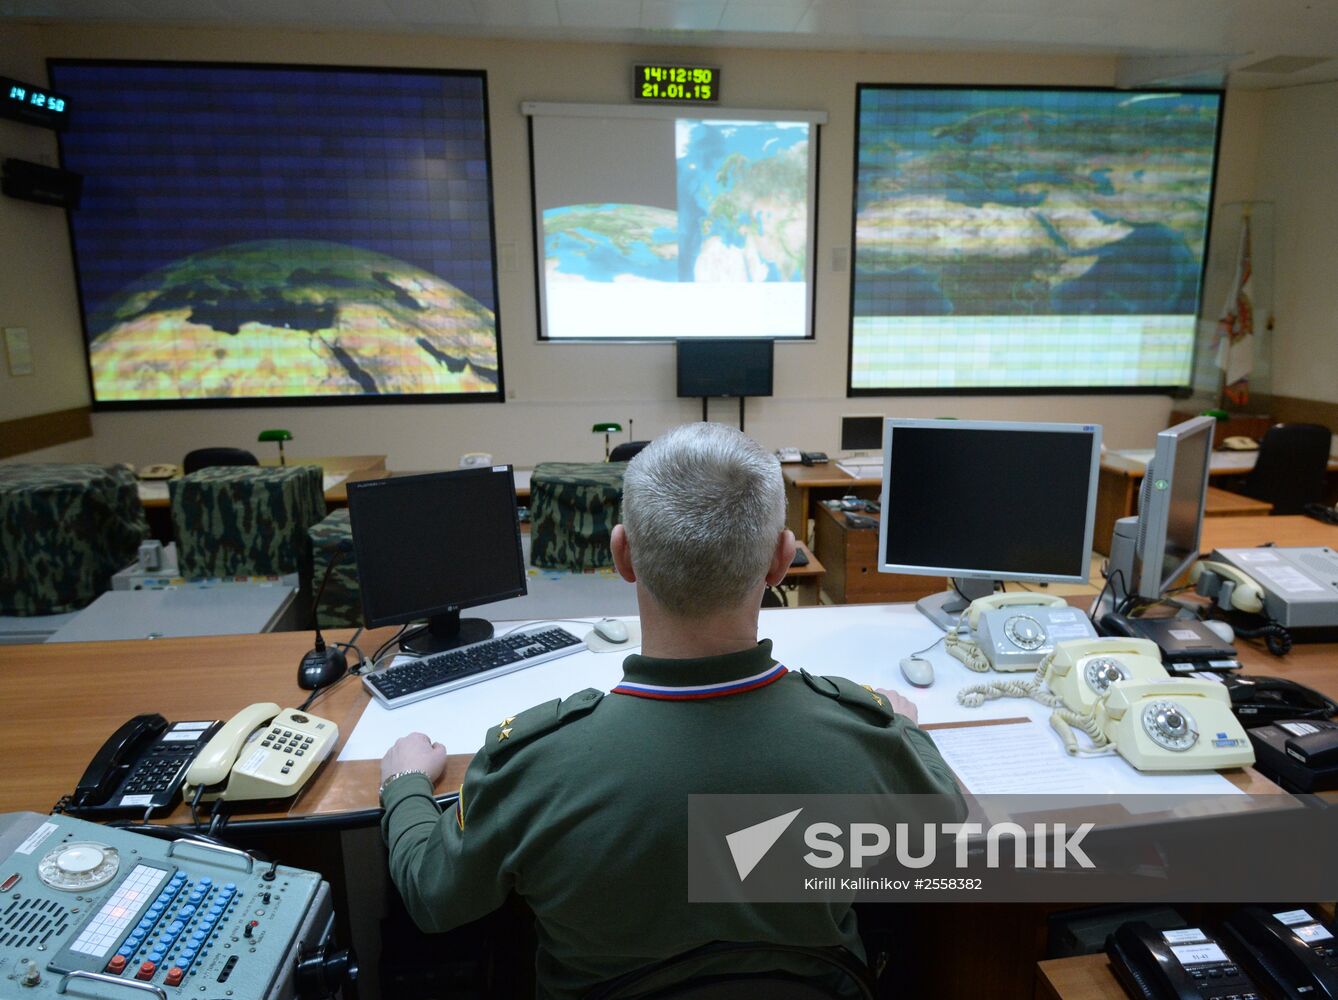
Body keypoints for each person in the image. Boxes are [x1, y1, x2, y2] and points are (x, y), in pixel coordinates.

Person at [379, 422, 964, 998]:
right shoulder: (857, 740)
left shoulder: (533, 769)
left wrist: (406, 785)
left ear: (622, 553)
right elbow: (945, 823)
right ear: (782, 560)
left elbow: (433, 899)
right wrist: (903, 728)